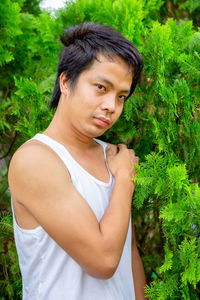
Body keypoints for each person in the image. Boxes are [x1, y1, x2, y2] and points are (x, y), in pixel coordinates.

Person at [8, 22, 146, 300]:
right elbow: (104, 261)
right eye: (100, 87)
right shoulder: (36, 160)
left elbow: (127, 254)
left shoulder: (114, 157)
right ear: (66, 82)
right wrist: (124, 181)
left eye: (121, 96)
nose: (112, 106)